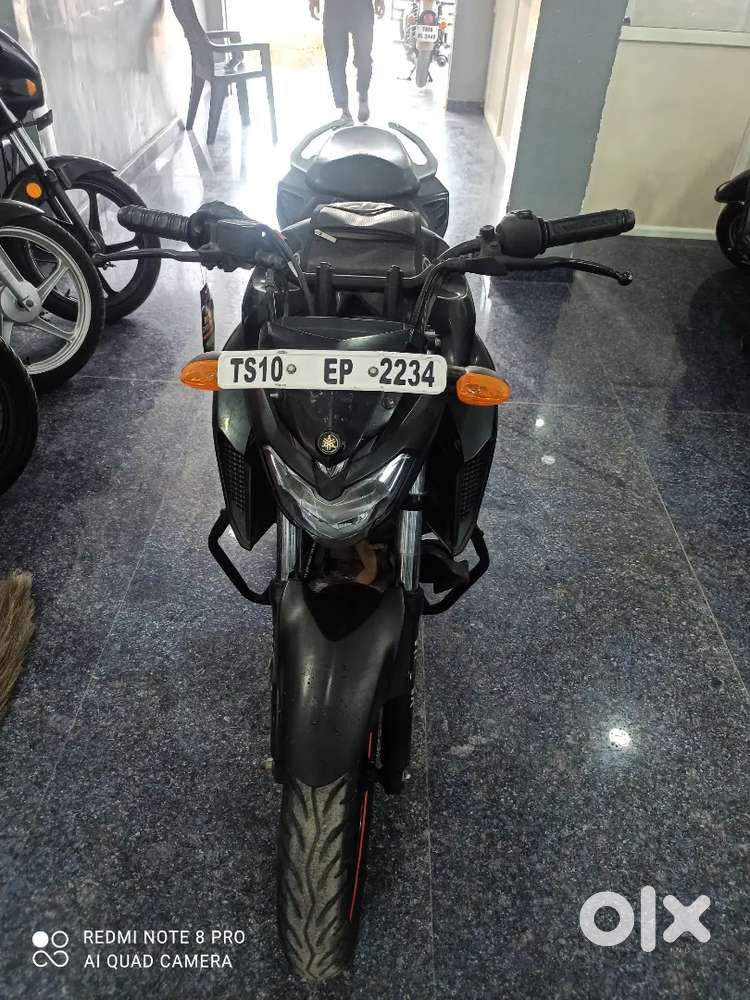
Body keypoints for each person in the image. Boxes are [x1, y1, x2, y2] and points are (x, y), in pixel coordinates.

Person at [309, 0, 386, 124]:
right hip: (334, 8)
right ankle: (344, 109)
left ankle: (363, 95)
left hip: (361, 7)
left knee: (364, 56)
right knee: (335, 59)